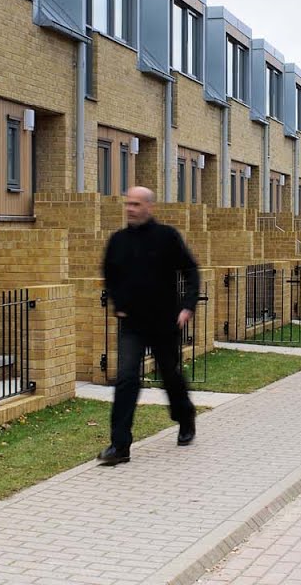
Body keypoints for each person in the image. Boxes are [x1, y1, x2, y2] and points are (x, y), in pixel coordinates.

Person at [97, 186, 200, 465]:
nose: (130, 209)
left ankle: (185, 417)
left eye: (136, 204)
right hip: (132, 323)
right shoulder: (117, 240)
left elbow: (190, 269)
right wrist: (117, 303)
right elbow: (109, 273)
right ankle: (120, 446)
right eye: (128, 204)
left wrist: (187, 306)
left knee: (170, 376)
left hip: (165, 321)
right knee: (126, 378)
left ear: (149, 207)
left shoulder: (167, 237)